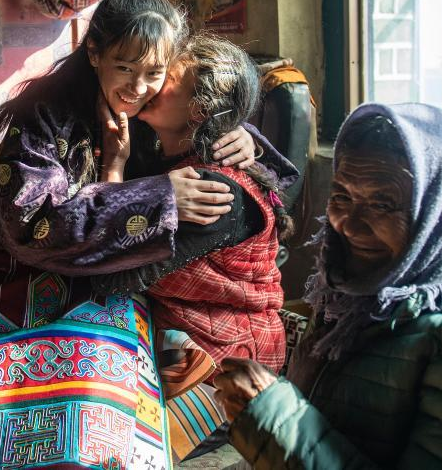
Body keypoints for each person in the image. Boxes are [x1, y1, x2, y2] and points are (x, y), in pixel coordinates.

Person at [0, 0, 276, 470]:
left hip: (111, 291)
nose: (139, 88)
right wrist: (157, 196)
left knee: (100, 431)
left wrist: (241, 134)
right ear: (95, 52)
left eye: (154, 73)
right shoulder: (40, 118)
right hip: (20, 282)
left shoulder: (153, 117)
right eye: (124, 68)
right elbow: (34, 226)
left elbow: (207, 127)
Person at [214, 103, 442, 469]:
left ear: (440, 207)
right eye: (342, 196)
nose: (350, 225)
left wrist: (275, 418)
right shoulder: (368, 291)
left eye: (383, 204)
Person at [94, 33, 296, 461]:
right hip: (186, 337)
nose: (148, 84)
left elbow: (116, 272)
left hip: (227, 366)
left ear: (200, 109)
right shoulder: (168, 155)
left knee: (105, 442)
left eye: (164, 76)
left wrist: (113, 170)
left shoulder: (211, 190)